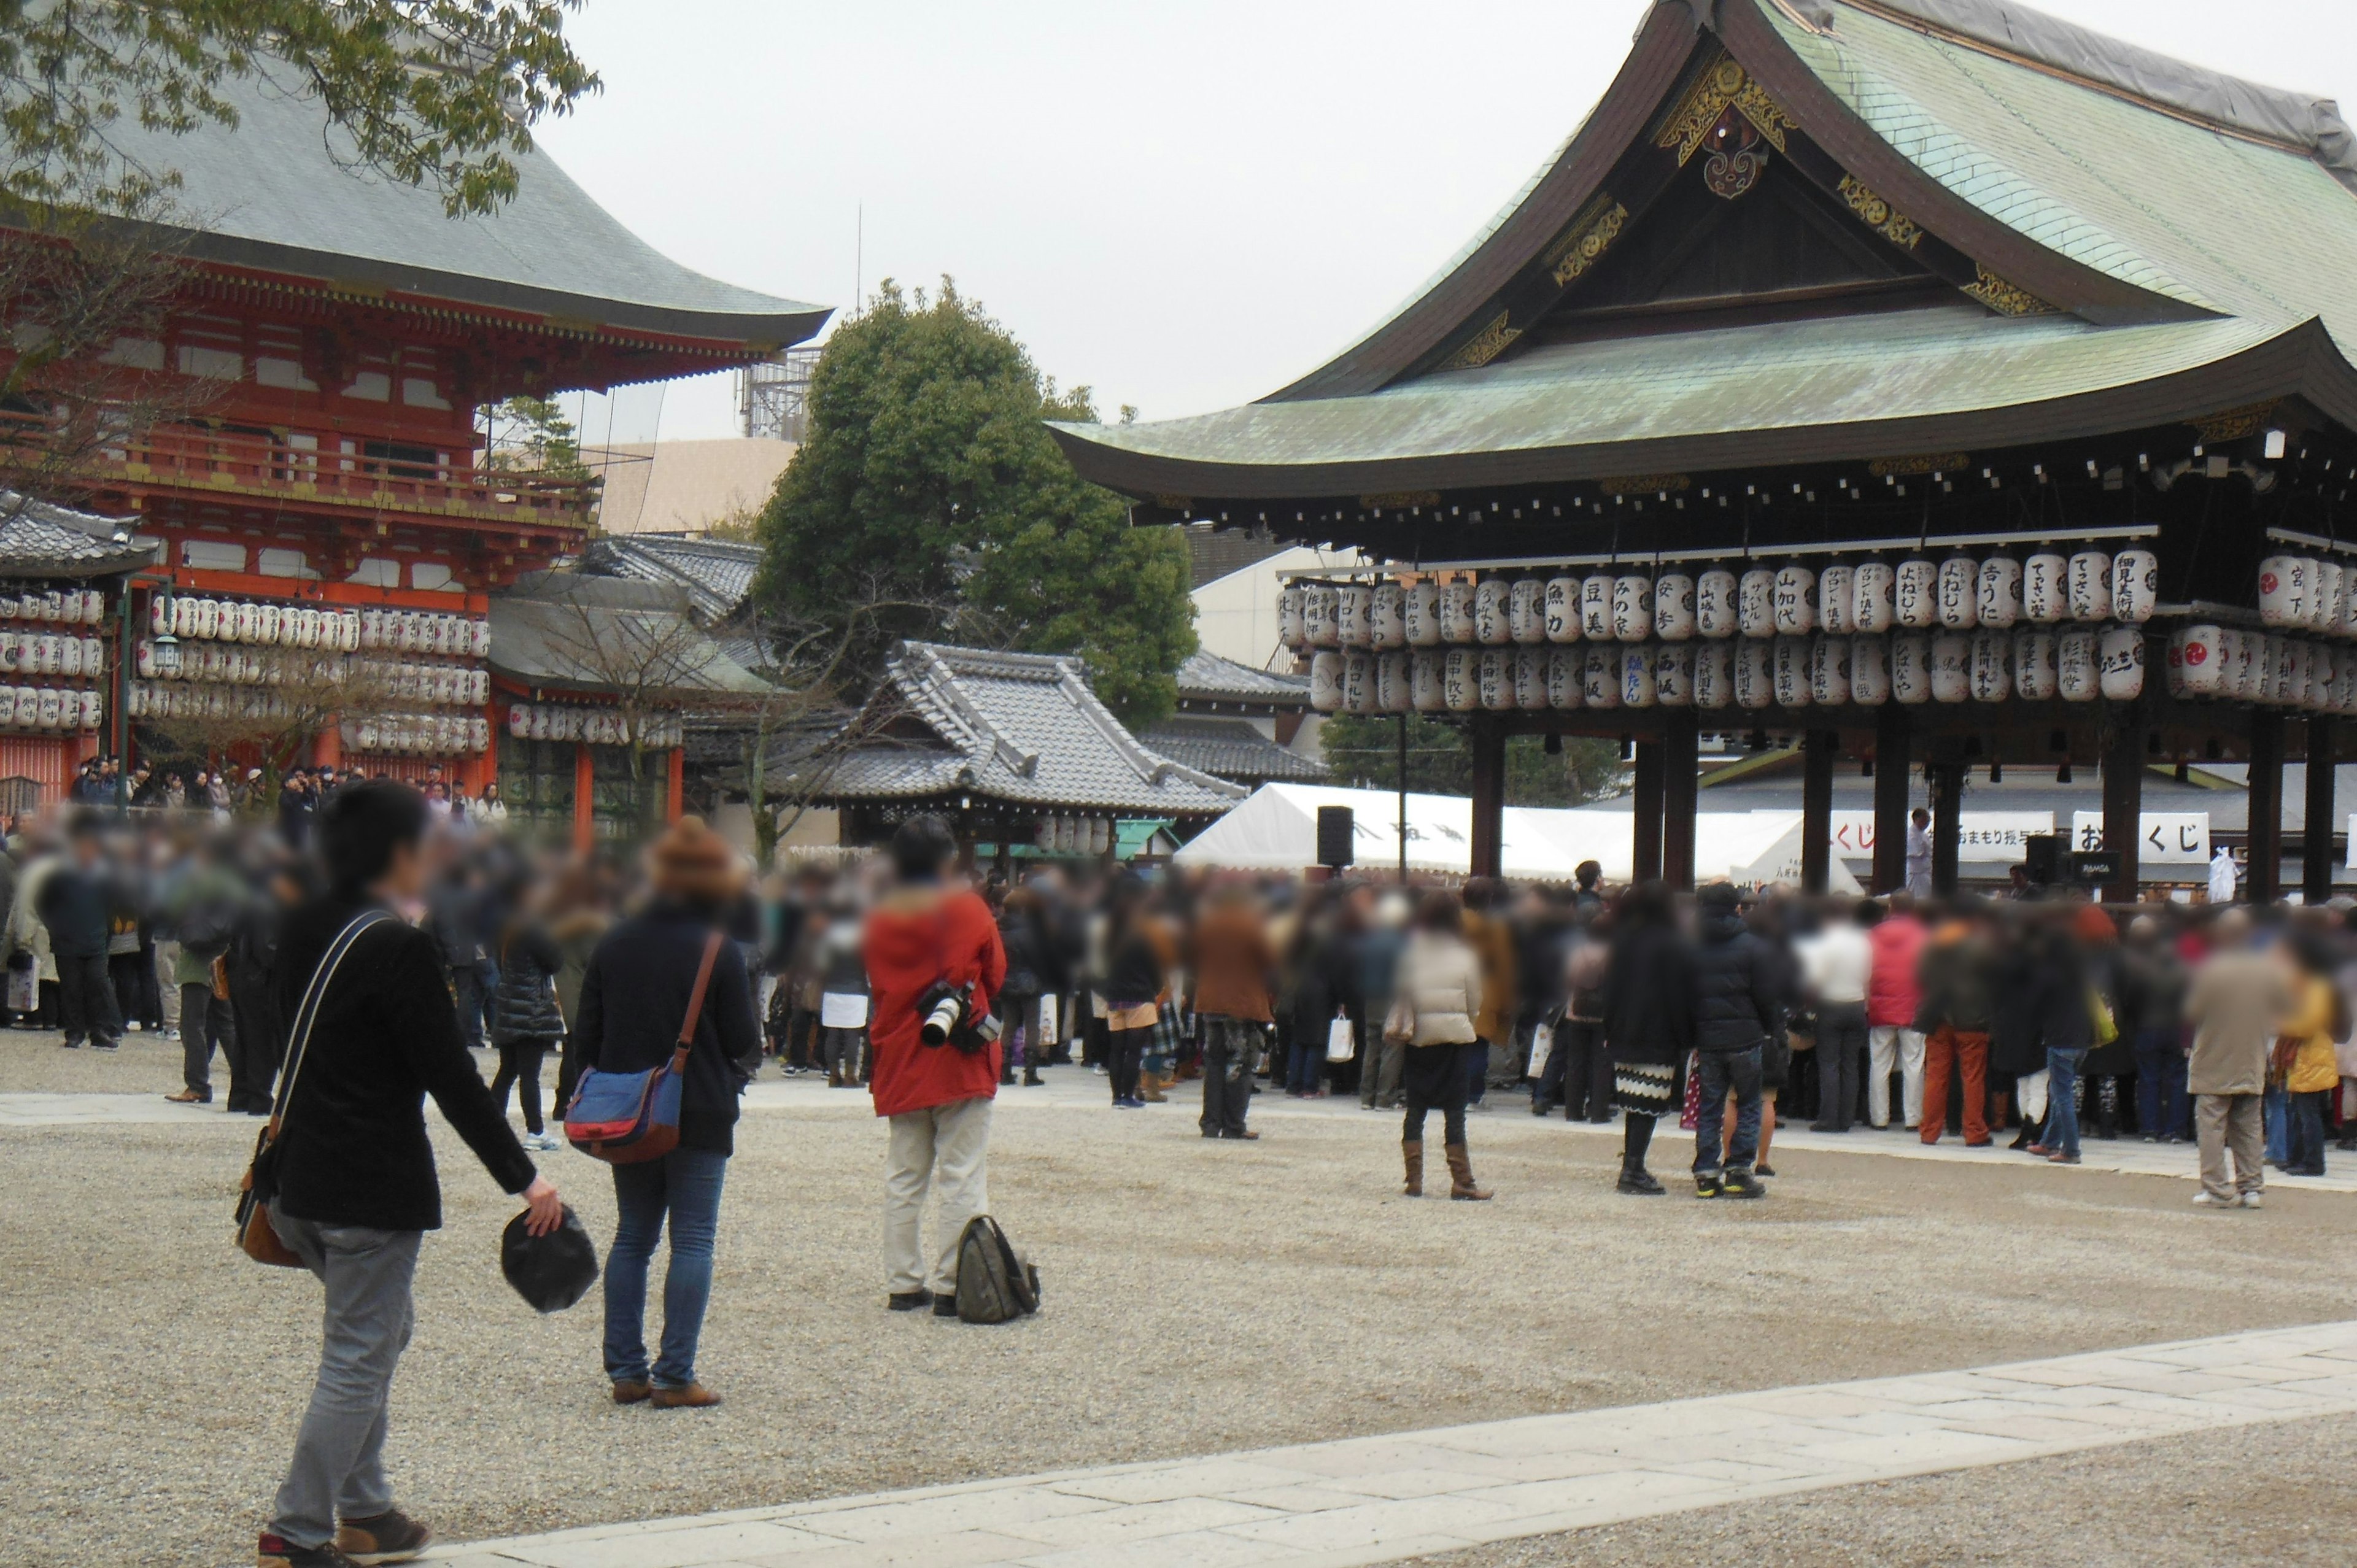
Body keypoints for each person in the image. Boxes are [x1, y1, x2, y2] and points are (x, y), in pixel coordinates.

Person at [254, 780, 562, 1568]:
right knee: (361, 1350)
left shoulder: (305, 926)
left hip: (298, 1180)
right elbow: (451, 1075)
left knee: (382, 1332)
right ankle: (298, 1529)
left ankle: (364, 1508)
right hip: (368, 1185)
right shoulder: (396, 946)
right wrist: (525, 1178)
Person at [574, 816, 756, 1405]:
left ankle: (627, 1371)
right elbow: (741, 1037)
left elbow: (587, 1037)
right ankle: (676, 1374)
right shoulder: (716, 945)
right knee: (694, 1239)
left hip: (630, 1110)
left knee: (633, 1236)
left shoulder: (615, 941)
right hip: (699, 1104)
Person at [864, 813, 1006, 1315]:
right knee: (962, 1173)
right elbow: (996, 971)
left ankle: (903, 1282)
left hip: (902, 1053)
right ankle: (953, 1284)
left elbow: (878, 983)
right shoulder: (967, 908)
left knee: (905, 1176)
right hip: (959, 1058)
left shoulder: (879, 915)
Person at [2183, 908, 2292, 1208]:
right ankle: (2252, 1187)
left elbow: (2193, 1011)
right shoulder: (2267, 969)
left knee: (2211, 1127)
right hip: (2251, 1057)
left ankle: (2216, 1187)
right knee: (2249, 1128)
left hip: (2213, 1058)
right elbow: (2285, 1008)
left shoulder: (2210, 968)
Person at [1392, 889, 1489, 1199]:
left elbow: (1401, 995)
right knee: (1455, 1111)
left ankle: (1414, 1180)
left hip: (1419, 1038)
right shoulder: (1465, 955)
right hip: (1454, 1038)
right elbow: (1475, 1002)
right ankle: (1462, 1181)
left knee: (1416, 1109)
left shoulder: (1410, 954)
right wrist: (1465, 1023)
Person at [1601, 881, 1693, 1195]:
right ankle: (1633, 1169)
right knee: (1648, 1102)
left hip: (1624, 1030)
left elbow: (1609, 990)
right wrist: (1686, 1036)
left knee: (1633, 1103)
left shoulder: (1624, 939)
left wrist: (1609, 1029)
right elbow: (1679, 996)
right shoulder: (1673, 943)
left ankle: (1633, 1165)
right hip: (1658, 1033)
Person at [1689, 882, 1775, 1199]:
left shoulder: (1693, 946)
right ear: (1737, 907)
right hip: (1746, 1035)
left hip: (1708, 1037)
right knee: (1749, 1101)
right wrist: (1769, 1027)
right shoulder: (1752, 946)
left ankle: (1706, 1173)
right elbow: (1766, 996)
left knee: (1710, 1105)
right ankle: (1739, 1170)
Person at [1191, 876, 1275, 1140]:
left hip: (1211, 1003)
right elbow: (1270, 963)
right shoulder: (1252, 925)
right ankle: (1234, 1125)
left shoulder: (1206, 924)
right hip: (1242, 1004)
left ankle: (1210, 1124)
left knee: (1214, 1064)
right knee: (1240, 1064)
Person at [489, 893, 567, 1152]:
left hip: (511, 1004)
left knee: (508, 1070)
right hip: (531, 1008)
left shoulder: (507, 929)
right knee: (530, 1075)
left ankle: (492, 1128)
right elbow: (555, 961)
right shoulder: (535, 929)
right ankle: (535, 1131)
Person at [1913, 901, 1995, 1146]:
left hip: (1938, 1016)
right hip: (1972, 1018)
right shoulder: (1983, 945)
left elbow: (1922, 978)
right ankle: (1975, 1131)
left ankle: (1929, 1130)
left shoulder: (1934, 943)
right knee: (1973, 1076)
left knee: (1936, 1076)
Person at [37, 819, 122, 1051]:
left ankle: (99, 1030)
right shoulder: (61, 875)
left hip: (96, 941)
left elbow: (112, 906)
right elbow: (43, 903)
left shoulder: (103, 875)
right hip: (67, 942)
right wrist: (56, 927)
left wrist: (106, 932)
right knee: (71, 988)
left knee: (98, 984)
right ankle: (74, 1032)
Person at [1799, 899, 1874, 1133]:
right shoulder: (1863, 941)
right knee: (1851, 1064)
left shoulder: (1824, 943)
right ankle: (1846, 1118)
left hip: (1831, 1005)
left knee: (1829, 1064)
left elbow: (1814, 979)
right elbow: (1868, 976)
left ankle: (1828, 1119)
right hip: (1857, 1004)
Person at [1865, 892, 1929, 1130]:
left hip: (1881, 1008)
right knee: (1914, 1064)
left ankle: (1879, 1117)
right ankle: (1913, 1117)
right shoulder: (1924, 935)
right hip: (1914, 1008)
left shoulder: (1873, 935)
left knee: (1879, 1063)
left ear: (1891, 907)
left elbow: (1866, 970)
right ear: (1914, 909)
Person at [1101, 875, 1164, 1108]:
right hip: (1140, 995)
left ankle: (1116, 1096)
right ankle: (1128, 1095)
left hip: (1115, 995)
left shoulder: (1110, 934)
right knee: (1134, 1050)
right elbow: (1155, 967)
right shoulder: (1143, 933)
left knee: (1116, 1050)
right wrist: (1156, 988)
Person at [2280, 926, 2340, 1177]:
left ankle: (2313, 1162)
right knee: (2299, 1113)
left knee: (2308, 1114)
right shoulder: (2304, 982)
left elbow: (2310, 1021)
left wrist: (2282, 1023)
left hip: (2312, 1056)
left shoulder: (2316, 984)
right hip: (2304, 1057)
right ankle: (2297, 1157)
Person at [1905, 807, 1932, 898]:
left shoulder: (1923, 835)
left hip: (1926, 873)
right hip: (1916, 873)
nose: (1928, 822)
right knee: (1916, 899)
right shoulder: (1911, 834)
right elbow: (1917, 853)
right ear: (1917, 819)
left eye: (1929, 820)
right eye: (1926, 819)